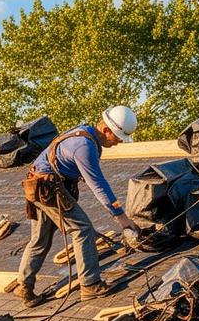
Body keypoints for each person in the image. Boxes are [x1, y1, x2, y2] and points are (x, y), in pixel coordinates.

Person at [14, 105, 138, 305]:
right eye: (117, 137)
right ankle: (90, 284)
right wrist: (121, 217)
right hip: (48, 188)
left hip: (37, 185)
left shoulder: (85, 132)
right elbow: (98, 185)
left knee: (40, 238)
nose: (118, 142)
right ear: (106, 129)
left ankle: (24, 286)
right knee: (82, 230)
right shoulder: (84, 146)